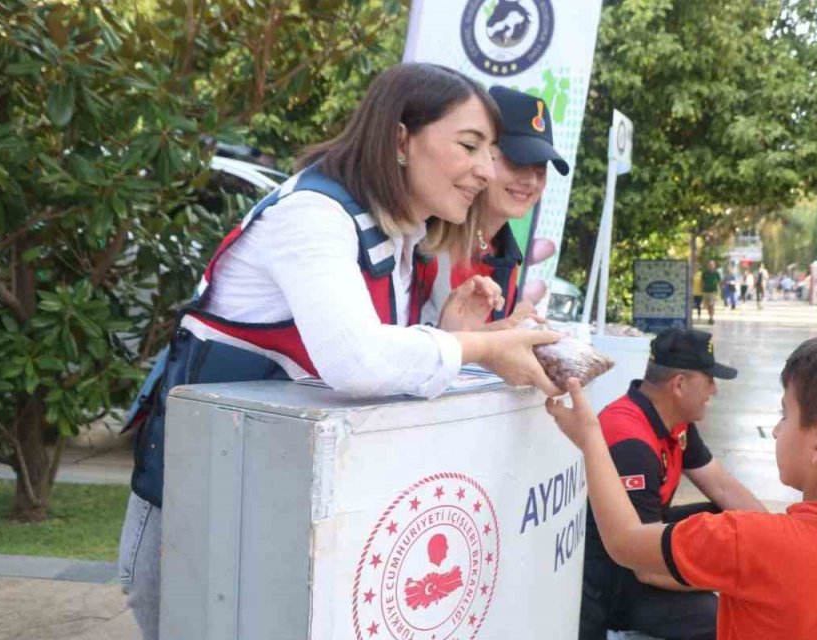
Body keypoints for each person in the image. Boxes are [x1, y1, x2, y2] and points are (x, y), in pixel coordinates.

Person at [115, 64, 563, 640]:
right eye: (470, 146)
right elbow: (356, 361)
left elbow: (384, 359)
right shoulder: (314, 215)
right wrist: (481, 346)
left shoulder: (402, 238)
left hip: (283, 510)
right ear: (401, 139)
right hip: (204, 518)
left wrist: (450, 327)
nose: (486, 170)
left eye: (490, 151)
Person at [546, 334, 817, 640]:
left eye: (785, 414)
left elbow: (626, 542)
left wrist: (590, 438)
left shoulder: (745, 541)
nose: (779, 428)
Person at [572, 328, 767, 640]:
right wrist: (734, 580)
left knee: (732, 521)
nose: (714, 390)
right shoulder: (631, 444)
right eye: (709, 380)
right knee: (716, 618)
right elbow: (644, 566)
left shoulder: (674, 421)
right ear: (679, 384)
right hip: (615, 580)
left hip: (647, 540)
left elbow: (723, 487)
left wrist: (779, 545)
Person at [413, 86, 570, 327]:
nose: (531, 180)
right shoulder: (424, 240)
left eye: (541, 168)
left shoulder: (505, 256)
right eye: (517, 161)